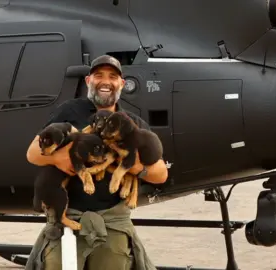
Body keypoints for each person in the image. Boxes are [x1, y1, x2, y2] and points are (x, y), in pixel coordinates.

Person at [24, 55, 168, 270]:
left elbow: (161, 174)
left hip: (113, 224)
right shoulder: (70, 111)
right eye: (99, 75)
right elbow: (32, 153)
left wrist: (133, 165)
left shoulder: (132, 123)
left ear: (121, 83)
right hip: (68, 220)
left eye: (112, 76)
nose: (105, 81)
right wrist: (59, 158)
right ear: (88, 81)